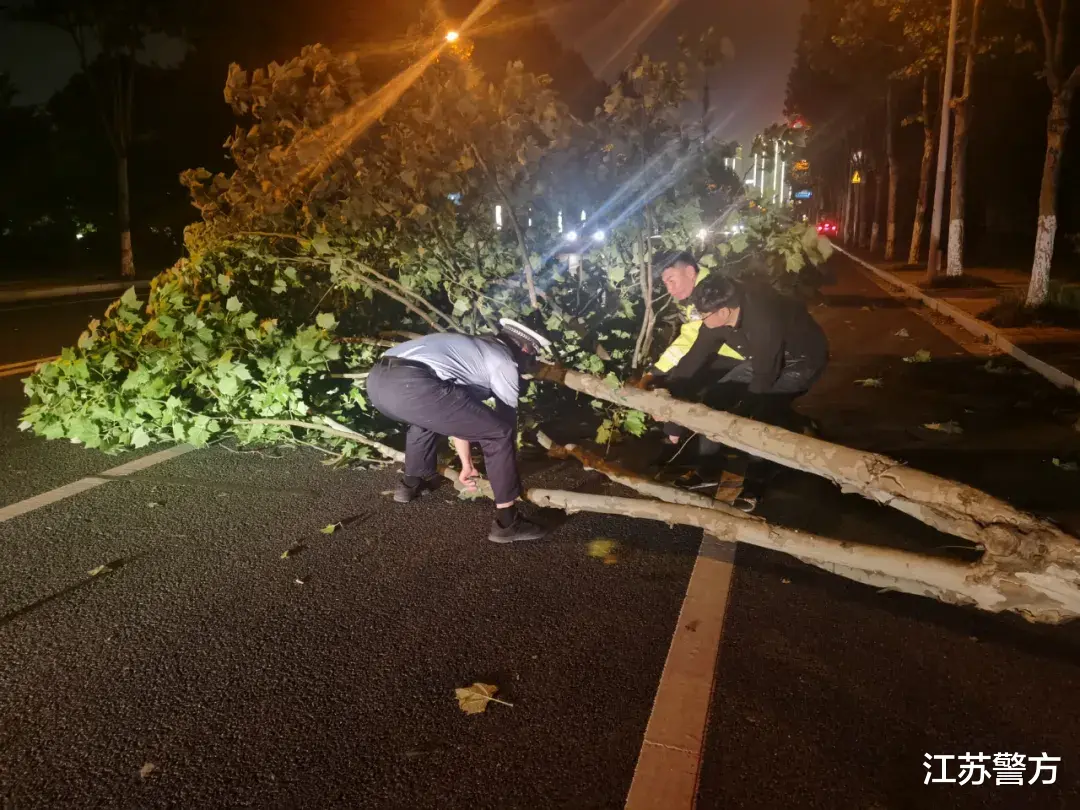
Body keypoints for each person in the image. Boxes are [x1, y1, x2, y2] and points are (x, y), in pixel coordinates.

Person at [366, 319, 551, 543]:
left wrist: (468, 465)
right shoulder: (504, 362)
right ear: (525, 349)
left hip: (378, 383)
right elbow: (504, 423)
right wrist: (504, 462)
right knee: (499, 433)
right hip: (414, 384)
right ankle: (507, 522)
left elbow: (460, 415)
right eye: (532, 356)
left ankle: (409, 485)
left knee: (427, 419)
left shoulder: (475, 348)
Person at [657, 272, 829, 511]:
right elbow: (694, 357)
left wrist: (743, 413)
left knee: (758, 420)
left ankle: (755, 486)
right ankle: (707, 469)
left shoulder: (762, 317)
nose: (700, 318)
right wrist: (669, 403)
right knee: (714, 401)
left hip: (801, 361)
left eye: (702, 315)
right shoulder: (716, 316)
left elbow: (765, 374)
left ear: (724, 311)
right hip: (762, 358)